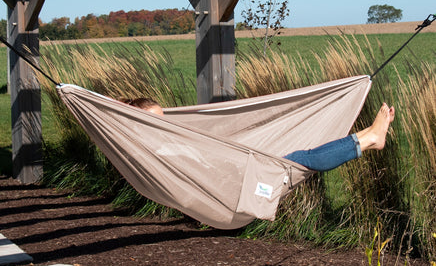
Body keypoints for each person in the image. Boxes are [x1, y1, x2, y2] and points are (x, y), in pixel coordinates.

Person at [123, 96, 395, 173]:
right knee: (299, 159)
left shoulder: (167, 141)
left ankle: (369, 139)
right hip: (234, 179)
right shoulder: (153, 151)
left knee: (299, 157)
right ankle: (369, 138)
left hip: (237, 167)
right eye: (154, 121)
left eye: (163, 118)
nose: (163, 124)